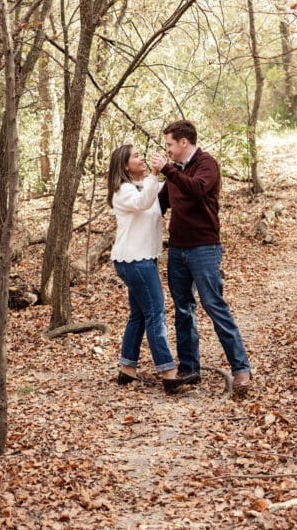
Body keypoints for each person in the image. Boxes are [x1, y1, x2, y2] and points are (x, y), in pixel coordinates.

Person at [150, 120, 252, 397]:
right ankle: (189, 369)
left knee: (213, 305)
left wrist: (168, 171)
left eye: (170, 144)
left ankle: (241, 368)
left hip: (204, 248)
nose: (168, 150)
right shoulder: (174, 174)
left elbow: (196, 189)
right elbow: (158, 205)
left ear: (184, 142)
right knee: (183, 310)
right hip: (178, 249)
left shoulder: (207, 164)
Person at [108, 143, 194, 393]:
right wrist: (155, 174)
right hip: (134, 260)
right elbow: (144, 203)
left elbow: (168, 185)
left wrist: (170, 164)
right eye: (136, 156)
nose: (141, 158)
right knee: (155, 312)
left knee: (139, 314)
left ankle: (127, 368)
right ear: (125, 165)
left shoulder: (142, 184)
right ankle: (168, 372)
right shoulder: (123, 190)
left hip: (143, 259)